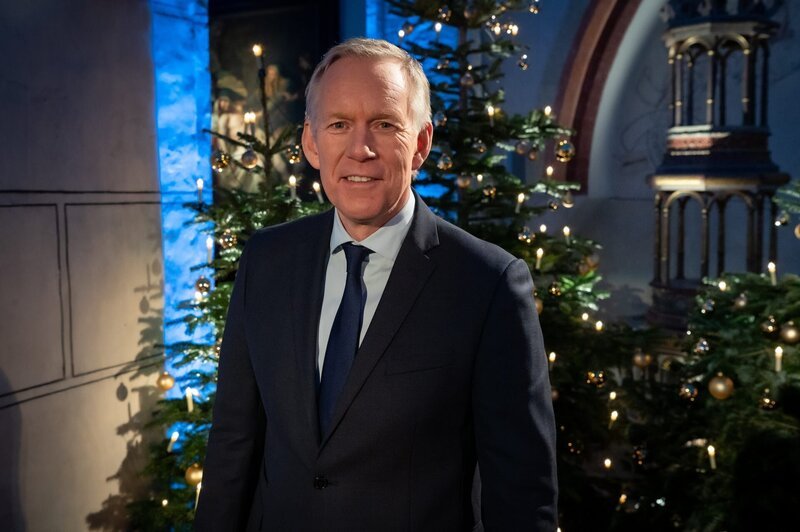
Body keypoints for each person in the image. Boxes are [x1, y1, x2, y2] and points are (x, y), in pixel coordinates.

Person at [195, 37, 557, 531]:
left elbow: (521, 490)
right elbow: (233, 440)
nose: (360, 150)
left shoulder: (488, 283)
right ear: (310, 143)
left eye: (384, 125)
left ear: (421, 144)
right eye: (339, 125)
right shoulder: (267, 260)